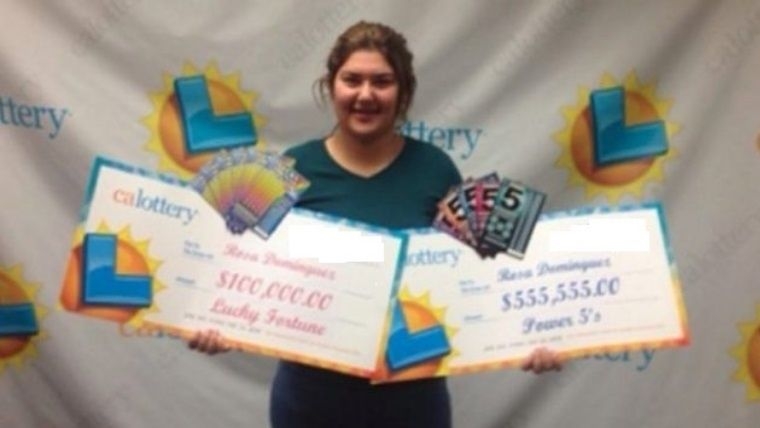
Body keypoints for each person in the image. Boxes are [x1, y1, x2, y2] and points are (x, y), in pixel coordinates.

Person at [189, 20, 562, 428]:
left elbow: (480, 278)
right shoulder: (292, 169)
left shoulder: (435, 169)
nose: (365, 94)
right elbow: (239, 268)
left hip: (412, 403)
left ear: (403, 92)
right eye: (352, 80)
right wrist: (217, 322)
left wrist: (529, 335)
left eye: (382, 82)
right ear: (331, 86)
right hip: (310, 402)